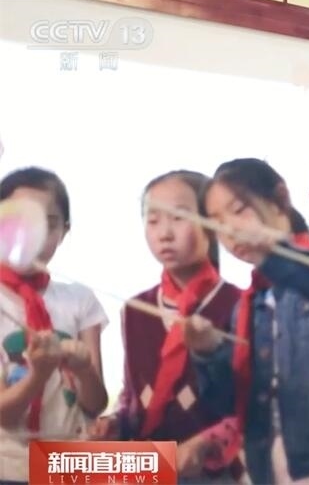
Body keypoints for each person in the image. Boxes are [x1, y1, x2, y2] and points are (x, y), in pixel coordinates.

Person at [184, 158, 309, 484]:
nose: (229, 230)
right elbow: (231, 400)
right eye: (217, 222)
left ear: (279, 199)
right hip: (268, 460)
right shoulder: (250, 302)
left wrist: (276, 256)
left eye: (238, 211)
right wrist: (207, 353)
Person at [88, 171, 243, 482]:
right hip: (148, 468)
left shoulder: (239, 304)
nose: (164, 233)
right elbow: (133, 396)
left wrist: (206, 443)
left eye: (179, 218)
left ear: (211, 223)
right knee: (58, 468)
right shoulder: (136, 309)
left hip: (217, 474)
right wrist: (114, 423)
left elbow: (254, 407)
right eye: (153, 220)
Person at [0, 167, 109, 483]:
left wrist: (84, 369)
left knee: (149, 467)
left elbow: (95, 405)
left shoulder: (80, 300)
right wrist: (39, 375)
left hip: (69, 467)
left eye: (48, 224)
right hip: (7, 467)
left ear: (64, 230)